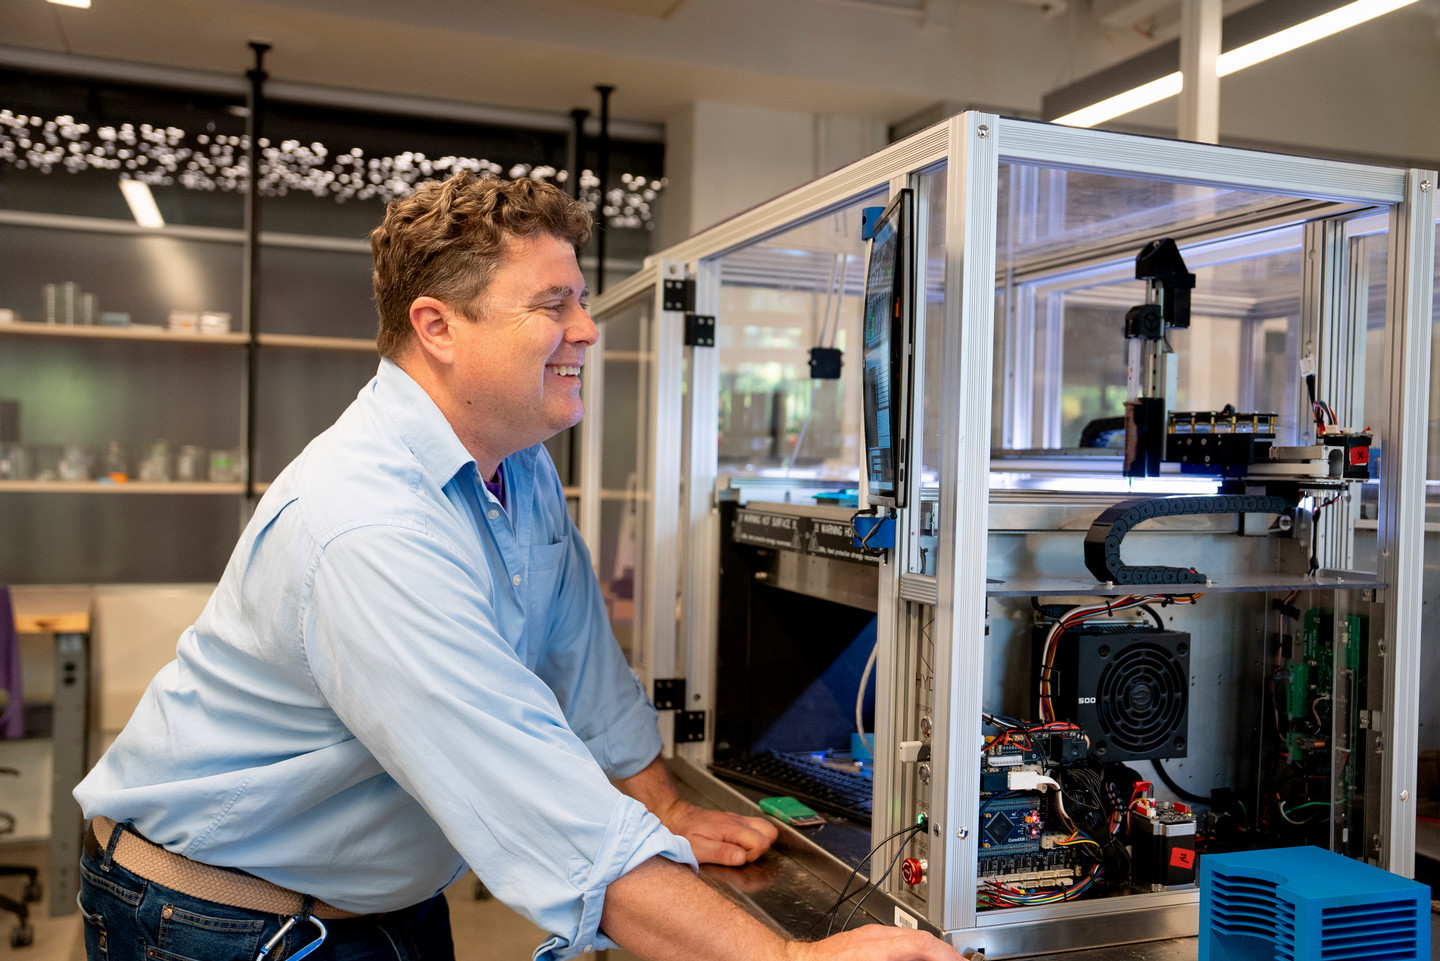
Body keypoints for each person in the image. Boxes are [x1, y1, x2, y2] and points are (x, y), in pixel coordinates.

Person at [74, 171, 959, 961]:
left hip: (380, 900)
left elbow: (579, 654)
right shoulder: (366, 528)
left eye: (580, 299)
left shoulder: (514, 457)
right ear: (438, 326)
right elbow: (532, 802)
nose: (586, 330)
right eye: (552, 305)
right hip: (218, 917)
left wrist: (666, 802)